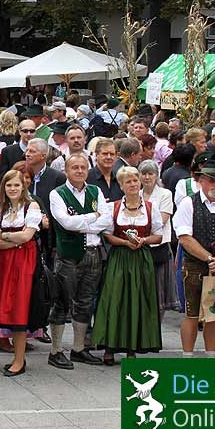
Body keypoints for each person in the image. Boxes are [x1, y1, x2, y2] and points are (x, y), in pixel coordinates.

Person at [47, 153, 112, 369]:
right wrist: (93, 217)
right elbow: (66, 223)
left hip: (93, 252)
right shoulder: (58, 194)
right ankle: (56, 351)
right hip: (68, 255)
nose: (80, 171)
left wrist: (84, 222)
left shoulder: (95, 191)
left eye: (83, 167)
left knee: (85, 301)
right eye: (75, 167)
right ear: (66, 170)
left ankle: (78, 348)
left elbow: (107, 219)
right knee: (62, 301)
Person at [93, 166, 163, 364]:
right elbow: (107, 234)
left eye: (135, 180)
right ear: (121, 186)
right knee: (114, 299)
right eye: (128, 182)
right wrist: (124, 242)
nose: (133, 184)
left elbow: (159, 235)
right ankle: (109, 347)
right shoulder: (113, 207)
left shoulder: (150, 207)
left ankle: (132, 346)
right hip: (119, 258)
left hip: (141, 259)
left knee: (137, 301)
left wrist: (144, 240)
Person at [173, 158, 215, 358]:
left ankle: (211, 356)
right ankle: (188, 356)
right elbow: (184, 238)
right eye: (211, 180)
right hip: (194, 266)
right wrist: (210, 258)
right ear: (201, 181)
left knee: (214, 314)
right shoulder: (188, 204)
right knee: (192, 314)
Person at [0, 169, 44, 377]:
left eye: (16, 185)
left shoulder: (32, 207)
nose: (12, 189)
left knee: (20, 308)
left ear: (24, 187)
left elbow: (26, 236)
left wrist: (6, 236)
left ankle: (19, 360)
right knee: (10, 307)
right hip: (6, 262)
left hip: (25, 262)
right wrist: (14, 239)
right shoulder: (2, 210)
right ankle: (17, 357)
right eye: (8, 185)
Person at [139, 160, 179, 319]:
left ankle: (156, 328)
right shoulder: (137, 193)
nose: (147, 177)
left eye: (150, 174)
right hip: (141, 247)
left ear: (156, 176)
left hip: (159, 246)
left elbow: (161, 220)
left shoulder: (165, 194)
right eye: (144, 173)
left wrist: (140, 223)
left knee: (159, 292)